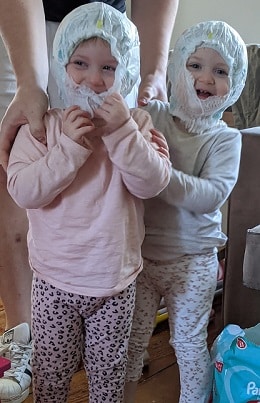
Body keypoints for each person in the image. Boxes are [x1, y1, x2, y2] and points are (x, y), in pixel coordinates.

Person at [0, 0, 178, 401]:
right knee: (51, 373)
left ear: (125, 72)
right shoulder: (41, 127)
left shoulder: (137, 125)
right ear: (60, 64)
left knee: (108, 375)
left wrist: (120, 133)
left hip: (114, 284)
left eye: (109, 68)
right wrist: (68, 152)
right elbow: (23, 190)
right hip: (52, 281)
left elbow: (153, 182)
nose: (95, 80)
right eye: (80, 63)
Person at [124, 20, 248, 403]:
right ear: (177, 68)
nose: (206, 78)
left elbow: (211, 195)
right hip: (140, 258)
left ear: (236, 83)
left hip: (193, 262)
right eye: (195, 65)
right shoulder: (153, 116)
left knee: (189, 345)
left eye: (221, 70)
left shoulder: (225, 139)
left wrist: (159, 173)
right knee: (130, 343)